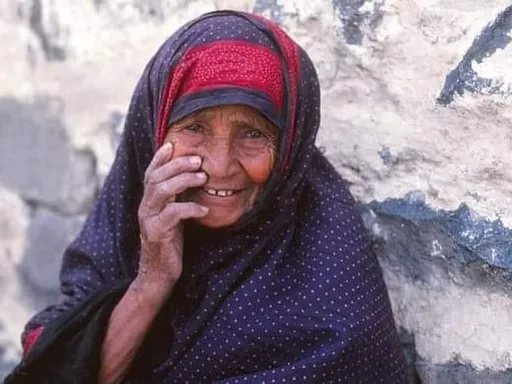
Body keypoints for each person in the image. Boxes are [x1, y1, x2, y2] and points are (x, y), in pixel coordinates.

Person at [5, 10, 407, 384]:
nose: (218, 165)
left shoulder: (334, 313)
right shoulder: (120, 239)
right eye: (195, 127)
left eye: (252, 134)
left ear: (289, 149)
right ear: (153, 131)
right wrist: (152, 280)